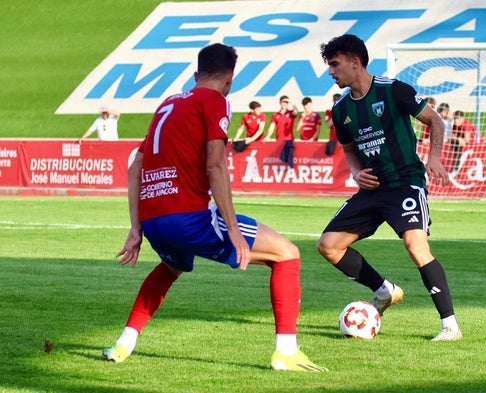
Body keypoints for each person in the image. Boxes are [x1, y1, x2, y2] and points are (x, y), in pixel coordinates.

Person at [102, 43, 327, 372]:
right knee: (287, 254)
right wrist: (233, 230)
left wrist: (136, 227)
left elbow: (136, 165)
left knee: (169, 269)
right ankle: (286, 352)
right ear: (229, 80)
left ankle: (124, 343)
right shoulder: (215, 100)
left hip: (154, 220)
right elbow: (216, 165)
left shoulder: (169, 103)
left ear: (195, 75)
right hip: (190, 218)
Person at [317, 34, 462, 342]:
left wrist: (433, 157)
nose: (331, 72)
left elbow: (434, 120)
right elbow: (348, 149)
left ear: (355, 62)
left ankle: (450, 326)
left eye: (334, 64)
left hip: (405, 183)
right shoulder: (341, 110)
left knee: (416, 246)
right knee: (328, 245)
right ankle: (384, 290)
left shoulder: (394, 90)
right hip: (372, 191)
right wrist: (356, 173)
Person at [263, 95, 298, 168]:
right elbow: (272, 127)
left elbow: (296, 112)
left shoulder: (290, 113)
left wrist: (292, 103)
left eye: (286, 102)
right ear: (280, 103)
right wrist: (268, 136)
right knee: (280, 161)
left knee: (289, 159)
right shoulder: (275, 115)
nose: (284, 104)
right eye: (283, 102)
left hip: (289, 140)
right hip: (279, 140)